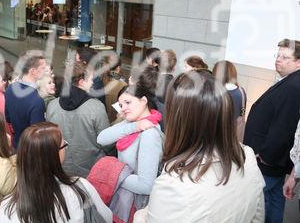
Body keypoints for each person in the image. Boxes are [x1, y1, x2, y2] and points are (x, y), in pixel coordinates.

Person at [134, 70, 265, 222]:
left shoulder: (173, 186)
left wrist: (141, 215)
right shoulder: (247, 155)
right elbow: (258, 216)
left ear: (178, 120)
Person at [0, 122, 112, 223]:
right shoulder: (80, 188)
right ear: (53, 154)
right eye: (64, 145)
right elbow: (107, 217)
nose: (65, 149)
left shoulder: (7, 206)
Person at [244, 39, 300, 223]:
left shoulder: (293, 86)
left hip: (268, 161)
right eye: (278, 55)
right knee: (275, 201)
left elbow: (284, 127)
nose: (278, 60)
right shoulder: (290, 81)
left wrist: (266, 156)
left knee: (258, 205)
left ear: (298, 62)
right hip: (273, 161)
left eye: (285, 57)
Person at [97, 82, 163, 221]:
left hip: (134, 204)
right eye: (121, 105)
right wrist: (135, 126)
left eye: (128, 102)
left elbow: (146, 185)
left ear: (144, 101)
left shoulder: (149, 134)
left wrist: (112, 174)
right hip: (123, 197)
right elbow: (101, 139)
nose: (123, 108)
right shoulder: (132, 124)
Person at [47, 62, 109, 177]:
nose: (92, 83)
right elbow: (106, 142)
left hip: (63, 169)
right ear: (81, 82)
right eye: (90, 79)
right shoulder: (96, 107)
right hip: (92, 170)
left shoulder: (52, 105)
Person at [5, 55, 47, 148]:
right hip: (29, 150)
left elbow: (8, 118)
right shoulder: (37, 101)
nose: (46, 70)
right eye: (43, 68)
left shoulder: (10, 88)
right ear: (32, 71)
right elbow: (37, 134)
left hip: (16, 143)